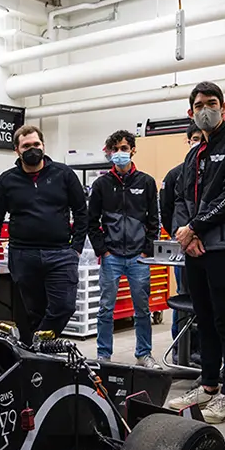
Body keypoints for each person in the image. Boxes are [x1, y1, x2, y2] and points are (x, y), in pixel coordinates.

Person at [166, 81, 225, 424]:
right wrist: (183, 233)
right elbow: (180, 199)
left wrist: (196, 228)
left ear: (224, 107)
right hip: (194, 245)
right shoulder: (193, 155)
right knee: (203, 319)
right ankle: (207, 386)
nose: (206, 108)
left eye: (212, 102)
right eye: (199, 104)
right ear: (191, 112)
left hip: (223, 246)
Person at [0, 125, 89, 342]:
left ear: (43, 146)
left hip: (60, 253)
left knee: (63, 306)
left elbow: (81, 212)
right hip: (23, 255)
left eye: (36, 144)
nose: (32, 149)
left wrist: (76, 248)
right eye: (26, 146)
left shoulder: (64, 174)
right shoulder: (6, 181)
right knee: (32, 312)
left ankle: (36, 346)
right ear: (17, 150)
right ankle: (38, 361)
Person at [88, 130, 160, 368]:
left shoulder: (146, 182)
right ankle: (103, 355)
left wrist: (146, 251)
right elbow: (92, 222)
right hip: (112, 257)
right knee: (105, 308)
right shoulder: (101, 185)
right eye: (115, 149)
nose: (120, 153)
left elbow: (153, 220)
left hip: (139, 257)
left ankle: (144, 354)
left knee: (142, 309)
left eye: (124, 148)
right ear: (110, 153)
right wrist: (103, 250)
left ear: (132, 150)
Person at [160, 123, 203, 362]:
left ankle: (203, 351)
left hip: (211, 249)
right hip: (184, 247)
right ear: (188, 141)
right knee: (185, 297)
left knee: (207, 302)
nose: (198, 142)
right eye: (194, 138)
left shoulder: (215, 173)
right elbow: (166, 210)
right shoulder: (175, 174)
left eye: (201, 138)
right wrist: (181, 236)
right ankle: (181, 350)